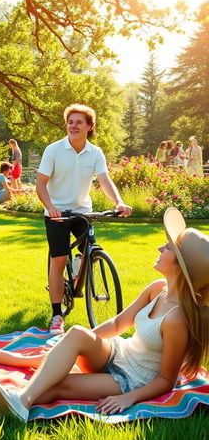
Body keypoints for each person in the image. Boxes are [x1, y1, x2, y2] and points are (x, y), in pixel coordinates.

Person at [0, 208, 209, 422]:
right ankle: (23, 370)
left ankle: (22, 400)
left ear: (182, 265)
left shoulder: (177, 319)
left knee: (57, 384)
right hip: (117, 353)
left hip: (129, 381)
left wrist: (129, 398)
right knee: (76, 334)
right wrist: (80, 342)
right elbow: (119, 323)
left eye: (168, 247)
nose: (160, 248)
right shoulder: (157, 288)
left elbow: (166, 381)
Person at [35, 104, 132, 336]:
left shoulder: (95, 152)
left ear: (90, 126)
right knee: (58, 261)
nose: (73, 125)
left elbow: (105, 180)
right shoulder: (54, 150)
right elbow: (40, 183)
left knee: (90, 250)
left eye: (79, 122)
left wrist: (118, 202)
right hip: (57, 214)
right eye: (70, 122)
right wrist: (51, 208)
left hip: (82, 211)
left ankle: (80, 265)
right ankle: (57, 314)